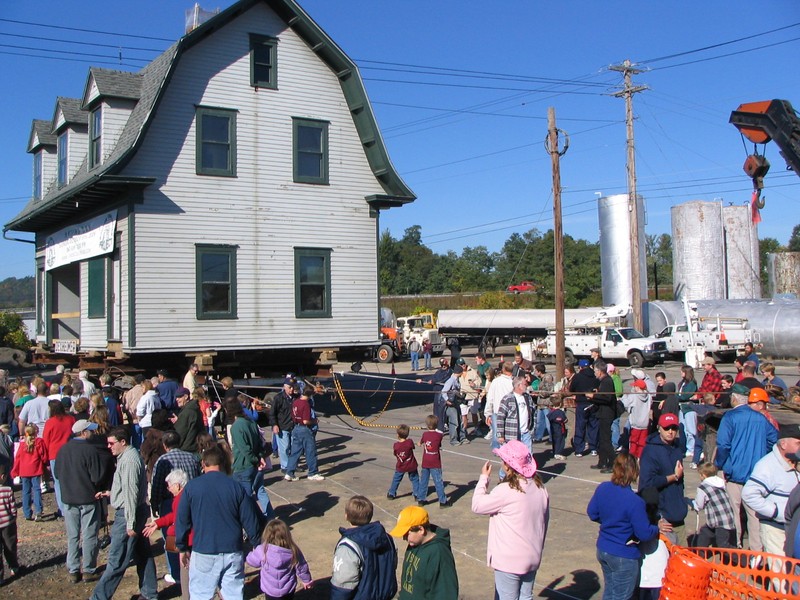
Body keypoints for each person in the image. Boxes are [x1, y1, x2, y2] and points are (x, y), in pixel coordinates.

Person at [175, 445, 261, 599]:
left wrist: (182, 547)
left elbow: (182, 520)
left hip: (203, 550)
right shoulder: (236, 487)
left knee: (200, 595)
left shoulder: (191, 487)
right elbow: (250, 520)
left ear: (203, 464)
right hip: (232, 550)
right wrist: (257, 544)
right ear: (222, 463)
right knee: (233, 595)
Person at [471, 440, 549, 600]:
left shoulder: (505, 490)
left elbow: (477, 506)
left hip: (509, 560)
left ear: (507, 466)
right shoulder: (540, 488)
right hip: (532, 554)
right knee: (526, 596)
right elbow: (544, 521)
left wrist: (483, 479)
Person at [90, 428, 157, 600]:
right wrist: (112, 493)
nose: (109, 446)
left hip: (128, 514)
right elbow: (128, 490)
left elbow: (131, 494)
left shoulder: (128, 461)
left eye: (112, 443)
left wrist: (130, 524)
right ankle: (149, 593)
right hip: (135, 511)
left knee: (117, 560)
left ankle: (98, 598)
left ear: (123, 442)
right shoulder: (129, 456)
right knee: (143, 555)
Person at [587, 454, 660, 600]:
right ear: (634, 472)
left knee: (609, 593)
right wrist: (656, 528)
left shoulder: (603, 488)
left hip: (604, 549)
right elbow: (644, 533)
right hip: (623, 555)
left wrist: (610, 522)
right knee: (621, 596)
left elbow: (592, 513)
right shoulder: (635, 502)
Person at [715, 387, 778, 551]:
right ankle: (757, 552)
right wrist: (763, 456)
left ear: (734, 398)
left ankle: (736, 547)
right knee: (755, 516)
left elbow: (723, 445)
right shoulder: (761, 418)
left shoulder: (730, 417)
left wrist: (720, 465)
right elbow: (774, 440)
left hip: (734, 473)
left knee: (733, 513)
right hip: (756, 475)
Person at [55, 419, 104, 583]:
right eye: (90, 430)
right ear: (84, 433)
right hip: (87, 498)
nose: (92, 433)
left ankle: (73, 569)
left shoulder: (63, 450)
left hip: (69, 498)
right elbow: (96, 476)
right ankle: (89, 569)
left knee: (73, 535)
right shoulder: (90, 450)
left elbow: (56, 474)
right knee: (90, 534)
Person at [150, 430, 201, 584]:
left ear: (165, 446)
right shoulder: (192, 458)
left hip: (169, 503)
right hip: (192, 501)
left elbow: (157, 485)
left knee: (172, 539)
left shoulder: (162, 460)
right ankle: (192, 568)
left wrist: (154, 505)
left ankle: (177, 573)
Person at [741, 423, 800, 555]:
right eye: (798, 443)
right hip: (775, 528)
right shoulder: (767, 466)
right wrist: (776, 512)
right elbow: (749, 494)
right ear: (783, 444)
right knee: (781, 572)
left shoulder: (795, 462)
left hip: (793, 529)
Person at [330, 495, 398, 600]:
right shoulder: (387, 538)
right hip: (384, 595)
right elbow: (393, 564)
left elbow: (343, 582)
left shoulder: (348, 546)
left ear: (346, 516)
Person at [639, 413, 688, 546]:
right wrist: (674, 476)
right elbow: (647, 484)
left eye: (673, 428)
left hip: (678, 516)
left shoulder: (677, 448)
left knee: (683, 559)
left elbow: (680, 484)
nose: (670, 432)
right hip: (663, 519)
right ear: (659, 428)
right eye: (666, 428)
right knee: (667, 562)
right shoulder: (650, 451)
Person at [390, 505, 458, 600]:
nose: (404, 537)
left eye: (407, 533)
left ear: (421, 530)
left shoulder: (439, 553)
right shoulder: (414, 543)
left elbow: (445, 593)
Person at [143, 469, 192, 598]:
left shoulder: (181, 499)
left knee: (185, 574)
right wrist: (159, 523)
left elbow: (180, 522)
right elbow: (175, 516)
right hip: (188, 540)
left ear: (177, 485)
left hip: (187, 542)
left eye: (169, 486)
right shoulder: (183, 497)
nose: (168, 489)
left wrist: (169, 532)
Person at [246, 517, 313, 599]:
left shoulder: (262, 550)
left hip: (270, 590)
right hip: (288, 589)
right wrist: (306, 580)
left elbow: (251, 561)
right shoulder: (293, 550)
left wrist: (253, 552)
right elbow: (302, 567)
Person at [230, 400, 274, 518]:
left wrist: (255, 460)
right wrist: (260, 458)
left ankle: (252, 523)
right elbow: (260, 443)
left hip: (243, 466)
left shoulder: (236, 427)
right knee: (260, 490)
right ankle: (269, 517)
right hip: (255, 466)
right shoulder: (251, 422)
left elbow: (244, 449)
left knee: (244, 499)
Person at [691, 462, 736, 548]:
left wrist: (693, 504)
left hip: (720, 522)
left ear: (703, 475)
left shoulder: (703, 487)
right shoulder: (721, 483)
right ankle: (699, 555)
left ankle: (745, 559)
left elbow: (699, 505)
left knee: (723, 545)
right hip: (726, 517)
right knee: (704, 534)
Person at [42, 399, 75, 517]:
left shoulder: (50, 422)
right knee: (70, 479)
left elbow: (46, 440)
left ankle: (63, 508)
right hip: (70, 452)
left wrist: (44, 457)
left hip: (55, 454)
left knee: (58, 482)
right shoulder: (71, 419)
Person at [284, 388, 325, 482]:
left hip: (296, 427)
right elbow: (306, 421)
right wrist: (314, 421)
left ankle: (289, 472)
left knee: (295, 452)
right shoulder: (306, 404)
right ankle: (313, 473)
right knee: (311, 451)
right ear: (310, 395)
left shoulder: (296, 402)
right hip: (305, 429)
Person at [587, 359, 617, 472]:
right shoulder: (602, 381)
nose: (594, 372)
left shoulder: (607, 381)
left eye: (595, 370)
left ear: (600, 371)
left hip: (607, 414)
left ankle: (613, 463)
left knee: (606, 440)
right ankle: (602, 462)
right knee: (601, 439)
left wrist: (593, 396)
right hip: (601, 413)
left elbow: (607, 398)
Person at [11, 424, 46, 521]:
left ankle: (27, 513)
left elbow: (17, 459)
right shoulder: (39, 442)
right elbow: (43, 457)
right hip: (36, 469)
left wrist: (15, 471)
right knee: (36, 490)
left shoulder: (22, 444)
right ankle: (38, 511)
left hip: (24, 471)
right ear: (36, 432)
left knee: (26, 491)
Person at [496, 376, 536, 452]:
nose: (526, 386)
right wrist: (500, 435)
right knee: (514, 457)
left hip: (526, 433)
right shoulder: (507, 398)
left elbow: (533, 412)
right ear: (518, 386)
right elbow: (500, 417)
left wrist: (532, 429)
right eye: (524, 384)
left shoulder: (528, 397)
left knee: (528, 456)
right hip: (512, 434)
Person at [569, 359, 599, 457]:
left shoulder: (578, 377)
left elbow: (571, 389)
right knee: (593, 426)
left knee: (580, 426)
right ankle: (593, 448)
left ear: (580, 367)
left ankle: (579, 450)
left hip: (581, 403)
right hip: (593, 403)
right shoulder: (594, 376)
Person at [418, 415, 448, 507]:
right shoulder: (439, 435)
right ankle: (443, 501)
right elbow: (438, 444)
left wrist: (420, 444)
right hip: (435, 462)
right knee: (438, 482)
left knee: (424, 481)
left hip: (425, 461)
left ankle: (421, 499)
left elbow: (420, 443)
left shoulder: (425, 434)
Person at [387, 424, 420, 501]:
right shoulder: (410, 442)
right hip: (411, 465)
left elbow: (395, 453)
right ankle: (417, 494)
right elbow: (413, 447)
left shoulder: (396, 445)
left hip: (401, 465)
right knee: (415, 479)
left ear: (397, 435)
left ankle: (392, 493)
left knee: (396, 479)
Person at [485, 361, 514, 449]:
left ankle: (497, 449)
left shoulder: (496, 381)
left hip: (498, 411)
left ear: (503, 369)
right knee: (509, 433)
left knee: (497, 432)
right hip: (510, 412)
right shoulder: (513, 382)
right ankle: (502, 449)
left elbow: (490, 398)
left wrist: (487, 413)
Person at [0, 464, 20, 586]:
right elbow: (13, 508)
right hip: (8, 524)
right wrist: (13, 517)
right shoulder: (7, 490)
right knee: (10, 546)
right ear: (3, 476)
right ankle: (14, 567)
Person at [622, 380, 651, 458]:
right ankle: (640, 457)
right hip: (645, 423)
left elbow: (625, 403)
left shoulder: (634, 396)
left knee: (633, 442)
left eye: (634, 386)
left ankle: (632, 458)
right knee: (642, 442)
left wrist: (624, 396)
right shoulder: (648, 395)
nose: (633, 387)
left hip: (636, 423)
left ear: (638, 387)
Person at [172, 386, 204, 453]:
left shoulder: (187, 412)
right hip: (195, 448)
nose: (177, 399)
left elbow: (180, 433)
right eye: (176, 397)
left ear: (186, 397)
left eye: (179, 397)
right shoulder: (194, 408)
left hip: (187, 450)